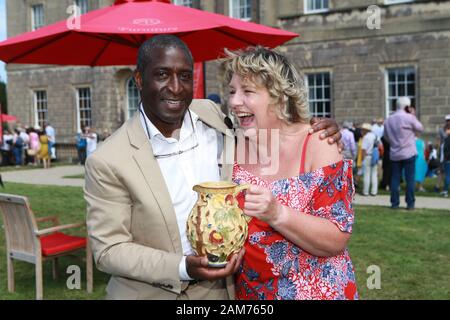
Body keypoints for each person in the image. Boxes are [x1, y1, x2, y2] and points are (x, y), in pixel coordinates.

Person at [84, 36, 342, 300]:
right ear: (139, 79)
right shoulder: (108, 160)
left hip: (224, 293)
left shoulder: (212, 117)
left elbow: (269, 121)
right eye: (162, 75)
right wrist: (183, 267)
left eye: (184, 76)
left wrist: (307, 126)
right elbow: (108, 250)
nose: (175, 87)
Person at [223, 46, 357, 300]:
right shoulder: (230, 146)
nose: (234, 101)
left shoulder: (318, 142)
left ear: (280, 97)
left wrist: (277, 213)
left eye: (248, 91)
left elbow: (336, 237)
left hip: (317, 292)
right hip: (252, 295)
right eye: (232, 91)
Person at [384, 97, 423, 210]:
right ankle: (410, 203)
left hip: (395, 152)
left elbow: (386, 137)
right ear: (407, 106)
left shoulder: (389, 119)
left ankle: (394, 203)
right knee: (410, 178)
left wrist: (394, 142)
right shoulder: (409, 117)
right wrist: (413, 114)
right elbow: (420, 128)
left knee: (395, 178)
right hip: (408, 152)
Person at [360, 123, 378, 196]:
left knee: (367, 174)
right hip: (374, 156)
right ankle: (374, 191)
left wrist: (362, 159)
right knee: (374, 174)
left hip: (367, 156)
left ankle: (366, 191)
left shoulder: (366, 137)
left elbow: (363, 149)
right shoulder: (375, 136)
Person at [441, 123, 450, 197]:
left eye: (447, 130)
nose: (446, 131)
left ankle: (445, 191)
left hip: (448, 159)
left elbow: (446, 150)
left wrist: (446, 157)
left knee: (447, 176)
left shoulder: (447, 139)